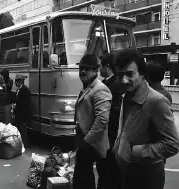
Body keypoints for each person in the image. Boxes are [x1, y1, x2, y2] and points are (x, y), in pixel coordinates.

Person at [113, 49, 179, 189]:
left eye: (130, 74)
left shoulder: (156, 101)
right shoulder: (126, 95)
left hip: (147, 177)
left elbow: (172, 144)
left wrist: (136, 152)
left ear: (142, 74)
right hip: (126, 173)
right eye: (120, 75)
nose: (124, 80)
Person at [73, 54, 112, 189]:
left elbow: (102, 120)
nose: (83, 71)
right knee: (83, 177)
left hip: (93, 143)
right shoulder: (88, 86)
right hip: (85, 140)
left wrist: (87, 140)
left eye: (88, 69)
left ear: (96, 71)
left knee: (84, 178)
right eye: (81, 68)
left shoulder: (100, 89)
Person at [99, 53, 123, 189]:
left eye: (100, 65)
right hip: (107, 136)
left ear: (107, 66)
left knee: (111, 173)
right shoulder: (107, 83)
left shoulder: (115, 84)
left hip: (110, 136)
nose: (99, 69)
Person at [14, 74, 32, 148]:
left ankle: (25, 144)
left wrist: (16, 107)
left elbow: (23, 103)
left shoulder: (24, 90)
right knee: (20, 128)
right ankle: (22, 143)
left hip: (22, 113)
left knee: (23, 129)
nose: (15, 83)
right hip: (20, 113)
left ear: (20, 82)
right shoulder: (20, 89)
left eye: (16, 82)